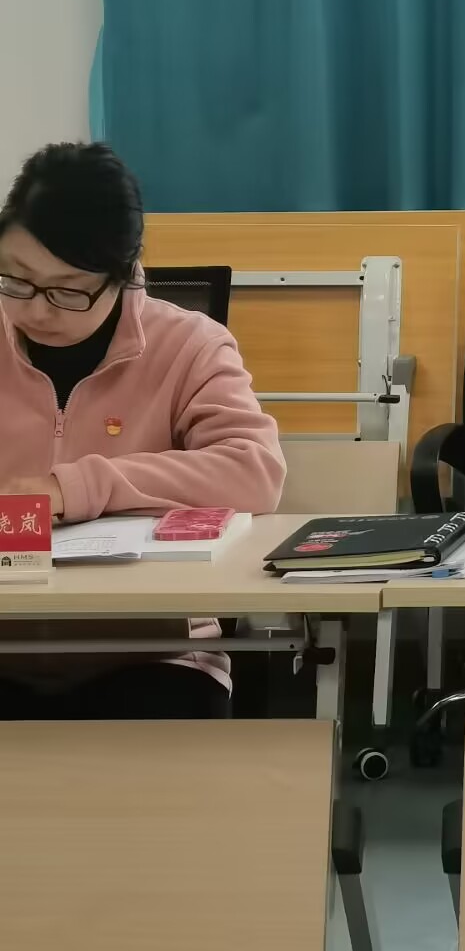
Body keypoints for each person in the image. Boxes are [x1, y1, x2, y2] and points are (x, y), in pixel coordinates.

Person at [0, 142, 286, 719]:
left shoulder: (190, 345)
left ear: (124, 275)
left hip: (151, 653)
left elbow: (253, 472)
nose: (36, 311)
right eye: (16, 280)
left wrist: (73, 488)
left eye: (67, 290)